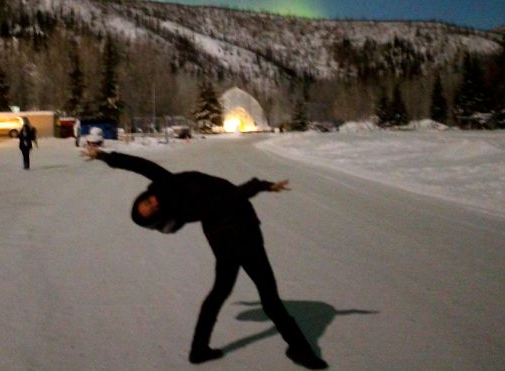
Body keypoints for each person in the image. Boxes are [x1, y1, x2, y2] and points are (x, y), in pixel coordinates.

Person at [82, 147, 328, 369]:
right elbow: (229, 198)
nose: (153, 201)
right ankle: (301, 350)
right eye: (152, 208)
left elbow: (141, 165)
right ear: (159, 215)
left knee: (220, 292)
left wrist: (105, 156)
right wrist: (261, 185)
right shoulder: (180, 197)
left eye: (147, 202)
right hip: (241, 233)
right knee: (268, 295)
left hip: (225, 239)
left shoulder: (167, 191)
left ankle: (199, 350)